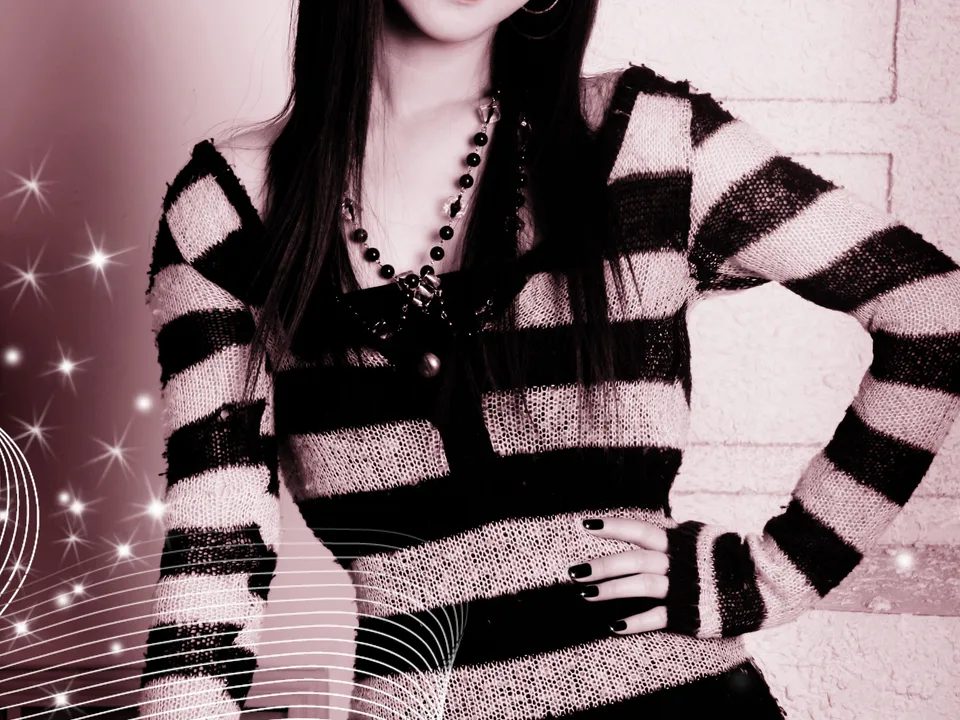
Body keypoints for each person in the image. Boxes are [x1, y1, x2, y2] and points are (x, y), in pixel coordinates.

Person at [137, 0, 960, 718]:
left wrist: (773, 578)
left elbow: (934, 310)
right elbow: (215, 550)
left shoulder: (646, 140)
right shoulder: (227, 211)